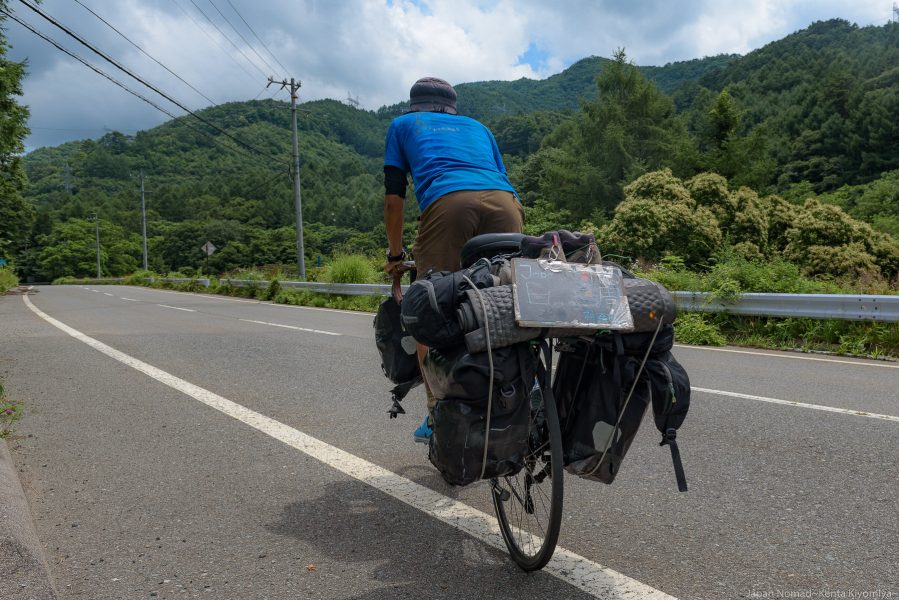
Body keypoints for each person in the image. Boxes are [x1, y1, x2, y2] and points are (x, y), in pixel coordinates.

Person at [382, 76, 523, 443]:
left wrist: (396, 256)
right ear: (453, 107)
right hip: (505, 205)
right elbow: (501, 178)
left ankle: (437, 414)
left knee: (430, 306)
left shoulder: (402, 125)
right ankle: (526, 387)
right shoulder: (479, 127)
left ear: (415, 106)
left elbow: (393, 201)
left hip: (449, 205)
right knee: (509, 296)